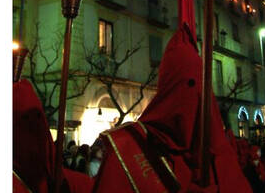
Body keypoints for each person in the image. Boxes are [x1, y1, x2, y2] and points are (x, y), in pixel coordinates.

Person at [91, 26, 252, 192]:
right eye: (184, 86)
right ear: (167, 91)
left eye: (199, 89)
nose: (191, 99)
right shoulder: (127, 146)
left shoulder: (220, 158)